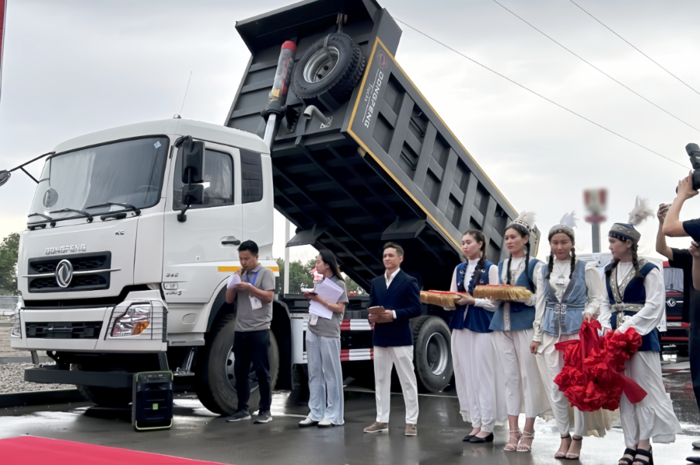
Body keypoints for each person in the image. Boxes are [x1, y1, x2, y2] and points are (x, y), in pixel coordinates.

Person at [598, 197, 682, 465]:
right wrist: (604, 328)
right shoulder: (608, 271)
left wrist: (626, 328)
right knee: (625, 392)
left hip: (641, 338)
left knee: (643, 389)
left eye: (613, 241)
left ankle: (645, 444)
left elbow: (654, 306)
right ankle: (630, 444)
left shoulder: (648, 269)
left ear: (628, 243)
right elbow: (604, 303)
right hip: (615, 339)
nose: (609, 245)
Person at [531, 212, 609, 460]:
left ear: (572, 243)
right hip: (551, 335)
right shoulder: (543, 270)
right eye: (555, 242)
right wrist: (536, 336)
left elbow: (597, 297)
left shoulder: (586, 268)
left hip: (577, 336)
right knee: (556, 390)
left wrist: (588, 311)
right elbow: (540, 305)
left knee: (578, 389)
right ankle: (563, 436)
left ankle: (578, 438)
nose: (559, 246)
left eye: (564, 242)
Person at [488, 212, 551, 453]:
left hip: (525, 325)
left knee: (528, 377)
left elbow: (541, 300)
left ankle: (529, 430)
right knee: (509, 378)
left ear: (526, 239)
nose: (509, 241)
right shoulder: (501, 265)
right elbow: (495, 300)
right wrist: (492, 296)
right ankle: (512, 432)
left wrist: (522, 297)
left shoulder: (537, 265)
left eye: (513, 237)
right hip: (500, 326)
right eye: (506, 238)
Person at [445, 229, 505, 443]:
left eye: (469, 242)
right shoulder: (459, 268)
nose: (465, 246)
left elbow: (495, 303)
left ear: (481, 244)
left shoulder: (492, 269)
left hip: (482, 326)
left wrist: (473, 301)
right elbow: (452, 296)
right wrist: (445, 301)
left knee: (483, 375)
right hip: (461, 326)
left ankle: (487, 426)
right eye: (463, 243)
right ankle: (475, 423)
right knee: (465, 374)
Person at [363, 242, 422, 437]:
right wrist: (371, 316)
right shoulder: (376, 282)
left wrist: (394, 314)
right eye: (385, 255)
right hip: (380, 336)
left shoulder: (408, 281)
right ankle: (382, 420)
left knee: (408, 380)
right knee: (380, 379)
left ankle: (411, 422)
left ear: (400, 258)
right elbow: (371, 305)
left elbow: (416, 308)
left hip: (400, 337)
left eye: (390, 255)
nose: (387, 258)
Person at [656, 203, 700, 458]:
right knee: (697, 383)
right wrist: (661, 223)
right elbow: (662, 248)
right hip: (695, 325)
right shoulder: (688, 255)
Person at [224, 240, 276, 424]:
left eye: (246, 258)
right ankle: (242, 409)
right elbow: (229, 300)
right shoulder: (240, 274)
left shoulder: (266, 273)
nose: (243, 262)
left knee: (262, 371)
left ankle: (265, 410)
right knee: (240, 370)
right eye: (240, 259)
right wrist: (234, 282)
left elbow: (269, 297)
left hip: (259, 329)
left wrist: (250, 288)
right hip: (241, 329)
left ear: (256, 257)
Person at [298, 250, 349, 428]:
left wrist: (320, 300)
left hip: (329, 331)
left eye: (318, 261)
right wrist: (312, 297)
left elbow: (339, 308)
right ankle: (315, 412)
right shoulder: (320, 282)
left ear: (327, 264)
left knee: (331, 374)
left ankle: (333, 414)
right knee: (314, 373)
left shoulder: (339, 284)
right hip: (313, 328)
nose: (316, 264)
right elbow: (317, 302)